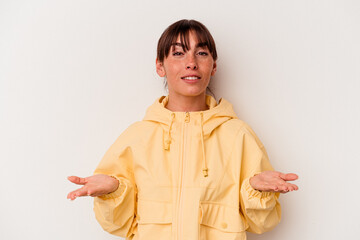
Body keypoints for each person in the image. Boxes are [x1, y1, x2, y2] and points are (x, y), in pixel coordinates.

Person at [67, 19, 299, 240]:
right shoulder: (137, 137)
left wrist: (258, 193)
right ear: (160, 66)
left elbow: (263, 223)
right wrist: (114, 191)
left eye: (201, 53)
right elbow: (118, 224)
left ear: (213, 66)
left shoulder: (238, 135)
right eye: (178, 53)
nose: (191, 62)